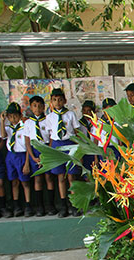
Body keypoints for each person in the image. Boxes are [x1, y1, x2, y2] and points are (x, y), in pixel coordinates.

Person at [46, 87, 80, 218]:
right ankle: (63, 206)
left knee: (72, 177)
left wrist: (79, 151)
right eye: (54, 100)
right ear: (51, 102)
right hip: (56, 145)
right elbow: (50, 135)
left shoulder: (70, 114)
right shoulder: (49, 117)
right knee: (61, 177)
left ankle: (74, 205)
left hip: (70, 144)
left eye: (60, 100)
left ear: (64, 100)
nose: (58, 102)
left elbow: (77, 133)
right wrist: (50, 152)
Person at [23, 95, 56, 216]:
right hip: (34, 151)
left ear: (44, 107)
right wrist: (32, 157)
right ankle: (40, 206)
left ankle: (51, 205)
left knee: (49, 178)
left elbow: (51, 137)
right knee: (38, 178)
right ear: (30, 107)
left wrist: (48, 154)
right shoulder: (28, 123)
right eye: (34, 106)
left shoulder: (48, 120)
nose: (37, 108)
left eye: (39, 106)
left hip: (46, 150)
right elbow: (27, 142)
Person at [1, 102, 34, 217]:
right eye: (10, 116)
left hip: (22, 156)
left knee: (25, 182)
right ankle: (16, 206)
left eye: (15, 116)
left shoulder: (24, 127)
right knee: (14, 182)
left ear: (20, 116)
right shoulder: (8, 128)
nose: (13, 118)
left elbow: (27, 145)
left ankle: (28, 205)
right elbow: (3, 135)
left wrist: (26, 163)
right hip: (11, 156)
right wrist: (2, 121)